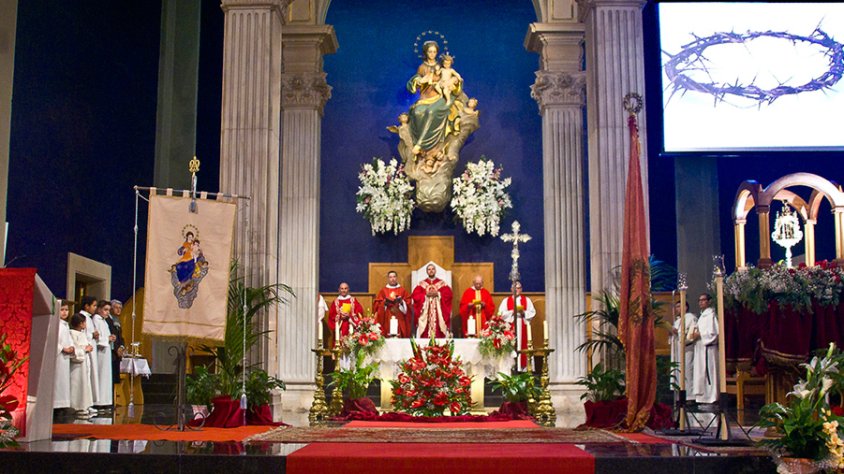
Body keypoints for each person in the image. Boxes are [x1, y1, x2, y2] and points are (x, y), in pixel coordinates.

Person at [406, 41, 458, 156]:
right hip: (425, 98)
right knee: (417, 112)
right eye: (430, 52)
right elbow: (414, 80)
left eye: (434, 52)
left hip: (441, 96)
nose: (432, 54)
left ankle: (421, 144)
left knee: (431, 112)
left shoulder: (442, 66)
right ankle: (423, 151)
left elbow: (454, 78)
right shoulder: (422, 67)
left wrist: (453, 82)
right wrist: (419, 80)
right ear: (426, 52)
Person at [498, 281, 536, 369]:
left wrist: (523, 313)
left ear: (521, 289)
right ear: (511, 289)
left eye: (518, 288)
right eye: (514, 288)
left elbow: (532, 312)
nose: (516, 290)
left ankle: (523, 368)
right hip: (511, 325)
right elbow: (501, 313)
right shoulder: (506, 301)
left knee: (524, 345)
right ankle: (511, 367)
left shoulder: (527, 300)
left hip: (523, 324)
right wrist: (512, 312)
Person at [411, 263, 453, 338]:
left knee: (439, 332)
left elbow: (449, 295)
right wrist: (425, 295)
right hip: (426, 313)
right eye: (429, 269)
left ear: (435, 271)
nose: (431, 271)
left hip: (438, 313)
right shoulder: (421, 284)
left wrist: (438, 294)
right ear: (427, 271)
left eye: (433, 269)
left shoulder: (442, 283)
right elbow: (415, 296)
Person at [692, 293, 719, 404]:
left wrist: (700, 335)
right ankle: (702, 397)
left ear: (709, 301)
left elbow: (714, 333)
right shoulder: (702, 316)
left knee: (709, 373)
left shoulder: (711, 315)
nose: (700, 302)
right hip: (700, 348)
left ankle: (711, 397)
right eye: (699, 300)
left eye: (703, 300)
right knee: (700, 373)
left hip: (708, 349)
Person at [68, 312, 95, 419]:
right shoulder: (72, 333)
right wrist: (84, 349)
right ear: (80, 323)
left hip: (84, 362)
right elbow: (74, 348)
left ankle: (86, 405)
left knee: (85, 383)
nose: (85, 324)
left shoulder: (81, 333)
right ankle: (77, 406)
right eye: (84, 322)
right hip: (77, 365)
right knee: (78, 384)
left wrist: (88, 347)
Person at [78, 296, 101, 408]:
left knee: (91, 376)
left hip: (92, 348)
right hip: (87, 349)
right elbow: (81, 334)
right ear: (87, 306)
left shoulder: (89, 317)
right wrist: (92, 335)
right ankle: (86, 403)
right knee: (87, 376)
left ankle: (90, 403)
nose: (95, 308)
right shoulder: (83, 317)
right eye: (94, 305)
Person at [373, 271, 412, 337]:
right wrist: (384, 303)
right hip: (387, 316)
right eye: (390, 277)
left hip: (399, 316)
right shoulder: (383, 291)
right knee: (387, 332)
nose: (392, 279)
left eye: (394, 277)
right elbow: (377, 304)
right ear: (388, 279)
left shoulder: (402, 290)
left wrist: (402, 302)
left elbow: (408, 303)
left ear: (396, 278)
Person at [670, 301, 697, 394]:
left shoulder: (690, 318)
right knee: (679, 372)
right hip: (677, 350)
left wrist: (678, 333)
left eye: (679, 306)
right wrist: (671, 333)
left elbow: (691, 334)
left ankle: (689, 395)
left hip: (687, 349)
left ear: (685, 307)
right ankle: (679, 394)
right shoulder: (678, 321)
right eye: (676, 307)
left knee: (687, 371)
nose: (677, 309)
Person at [53, 300, 75, 415]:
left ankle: (63, 404)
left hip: (65, 358)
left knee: (64, 381)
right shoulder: (55, 324)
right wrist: (62, 348)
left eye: (67, 310)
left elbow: (69, 339)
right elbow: (52, 339)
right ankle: (56, 405)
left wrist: (71, 347)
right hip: (58, 357)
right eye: (62, 310)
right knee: (57, 380)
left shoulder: (65, 325)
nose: (65, 312)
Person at [93, 300, 114, 411]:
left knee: (105, 376)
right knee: (100, 375)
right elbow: (97, 338)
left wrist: (110, 338)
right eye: (105, 310)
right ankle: (99, 401)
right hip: (100, 352)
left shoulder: (104, 321)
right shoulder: (96, 320)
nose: (107, 312)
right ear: (99, 309)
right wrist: (107, 339)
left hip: (106, 351)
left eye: (108, 310)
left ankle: (105, 400)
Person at [106, 299, 126, 386]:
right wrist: (117, 349)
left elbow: (120, 337)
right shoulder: (108, 320)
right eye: (116, 308)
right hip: (111, 352)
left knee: (114, 380)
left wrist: (122, 346)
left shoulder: (117, 321)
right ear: (111, 308)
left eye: (120, 308)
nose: (118, 310)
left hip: (117, 354)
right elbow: (111, 335)